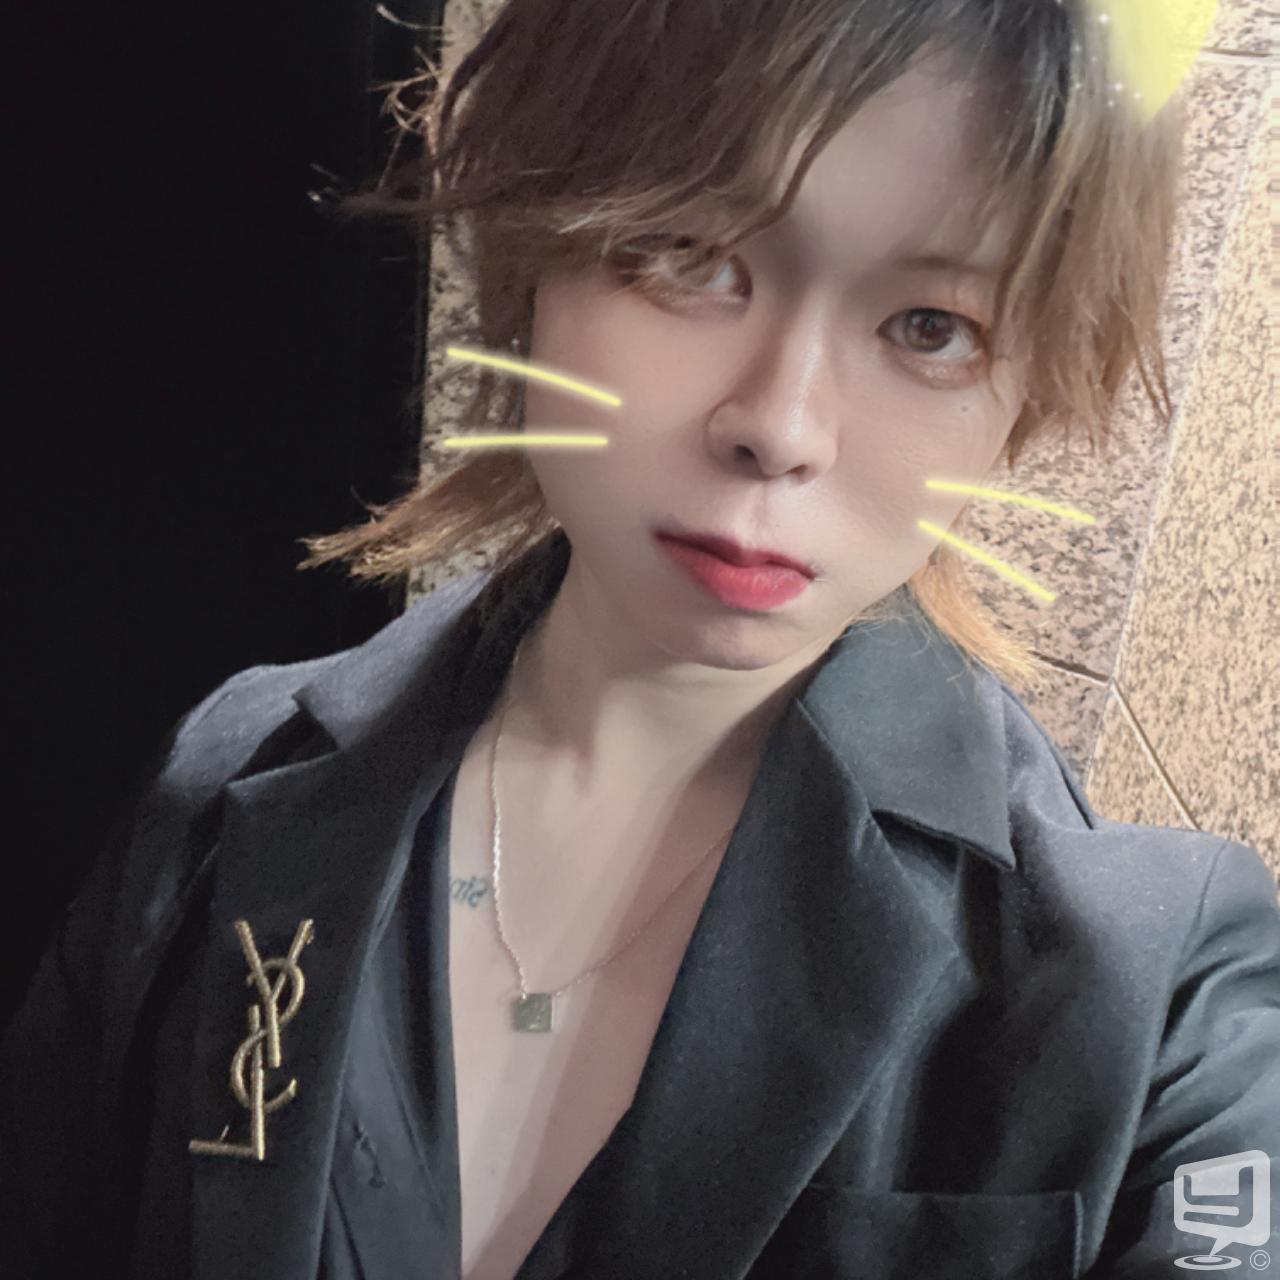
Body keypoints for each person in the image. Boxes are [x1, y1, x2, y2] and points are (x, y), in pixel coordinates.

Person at [3, 1, 1278, 1278]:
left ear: (1025, 388)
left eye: (929, 326)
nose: (779, 426)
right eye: (688, 254)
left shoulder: (1159, 986)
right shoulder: (226, 785)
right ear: (532, 257)